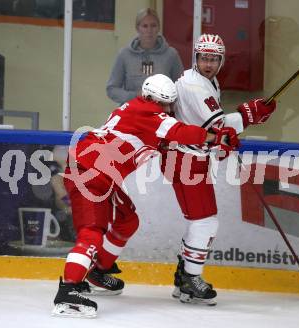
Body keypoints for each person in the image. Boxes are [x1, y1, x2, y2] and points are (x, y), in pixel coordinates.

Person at [52, 73, 239, 318]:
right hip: (89, 174)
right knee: (92, 231)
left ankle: (97, 271)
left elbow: (171, 140)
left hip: (101, 174)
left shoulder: (137, 111)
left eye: (169, 104)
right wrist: (217, 136)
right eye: (165, 104)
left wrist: (212, 142)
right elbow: (182, 132)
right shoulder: (148, 114)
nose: (167, 109)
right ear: (152, 98)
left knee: (127, 219)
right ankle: (68, 290)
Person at [160, 34, 277, 305]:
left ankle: (184, 277)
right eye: (204, 58)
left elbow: (213, 130)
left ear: (220, 60)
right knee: (205, 221)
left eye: (213, 59)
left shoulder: (205, 81)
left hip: (188, 158)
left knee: (198, 220)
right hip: (185, 160)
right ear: (196, 58)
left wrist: (249, 115)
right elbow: (219, 127)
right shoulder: (195, 86)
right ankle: (191, 280)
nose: (208, 63)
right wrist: (249, 114)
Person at [106, 8, 184, 104]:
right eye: (145, 26)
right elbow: (112, 89)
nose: (149, 30)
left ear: (159, 28)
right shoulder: (124, 55)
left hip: (160, 113)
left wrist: (164, 98)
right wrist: (135, 96)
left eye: (153, 26)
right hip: (132, 112)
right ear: (137, 28)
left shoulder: (171, 55)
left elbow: (181, 89)